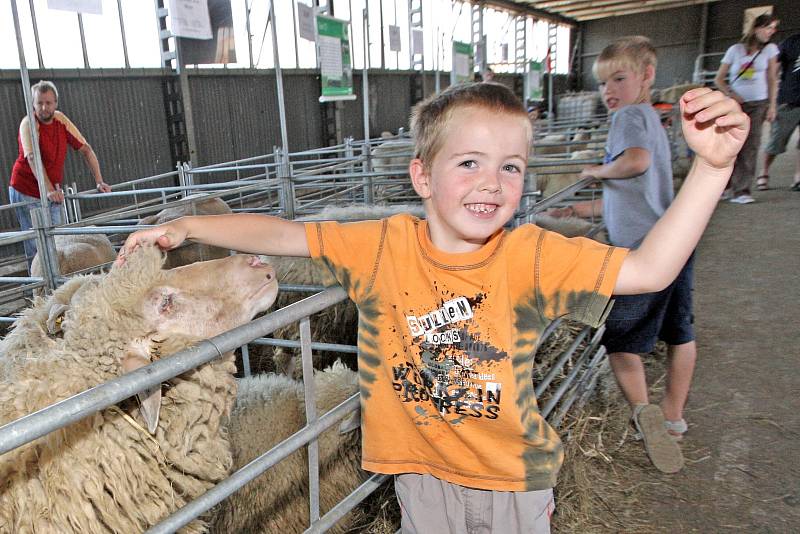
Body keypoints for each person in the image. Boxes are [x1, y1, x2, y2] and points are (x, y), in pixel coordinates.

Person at [117, 82, 747, 531]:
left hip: (513, 481)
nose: (492, 183)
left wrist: (711, 169)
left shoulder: (530, 253)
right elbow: (285, 234)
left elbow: (649, 268)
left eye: (510, 167)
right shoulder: (382, 245)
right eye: (468, 163)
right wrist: (187, 226)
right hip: (418, 477)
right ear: (421, 176)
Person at [574, 36, 699, 474]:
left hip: (641, 252)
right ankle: (674, 417)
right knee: (680, 334)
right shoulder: (651, 115)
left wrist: (596, 169)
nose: (609, 90)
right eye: (604, 82)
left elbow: (635, 163)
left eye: (619, 78)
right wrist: (579, 208)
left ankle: (645, 414)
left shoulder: (628, 116)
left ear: (647, 76)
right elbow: (639, 189)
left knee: (622, 342)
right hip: (674, 240)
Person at [9, 80, 111, 267]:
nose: (44, 107)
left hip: (51, 190)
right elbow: (32, 158)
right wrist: (49, 190)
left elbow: (86, 149)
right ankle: (40, 288)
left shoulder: (60, 121)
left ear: (56, 103)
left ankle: (58, 281)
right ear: (33, 104)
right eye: (39, 103)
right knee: (37, 242)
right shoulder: (29, 124)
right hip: (26, 188)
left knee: (59, 237)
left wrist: (99, 180)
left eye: (48, 103)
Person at [714, 13, 779, 203]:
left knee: (751, 146)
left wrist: (772, 105)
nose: (771, 32)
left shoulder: (770, 51)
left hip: (758, 104)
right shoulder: (735, 50)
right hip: (735, 104)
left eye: (773, 28)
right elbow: (719, 78)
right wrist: (730, 93)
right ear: (756, 28)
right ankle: (725, 186)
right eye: (768, 28)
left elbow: (772, 79)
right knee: (729, 146)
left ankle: (742, 191)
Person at [759, 31, 800, 191]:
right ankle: (764, 172)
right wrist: (771, 103)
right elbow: (772, 72)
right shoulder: (791, 42)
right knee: (777, 141)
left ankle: (798, 178)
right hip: (789, 100)